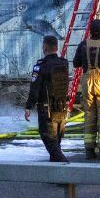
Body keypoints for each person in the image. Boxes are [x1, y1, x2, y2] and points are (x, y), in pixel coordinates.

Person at [71, 18, 100, 160]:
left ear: (90, 31)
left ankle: (89, 150)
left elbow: (75, 64)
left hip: (87, 83)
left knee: (89, 114)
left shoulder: (82, 45)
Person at [25, 34, 71, 163]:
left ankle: (69, 175)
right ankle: (56, 178)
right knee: (56, 146)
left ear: (44, 47)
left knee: (53, 147)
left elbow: (35, 89)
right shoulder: (64, 63)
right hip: (61, 110)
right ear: (57, 47)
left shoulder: (41, 67)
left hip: (47, 111)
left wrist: (28, 107)